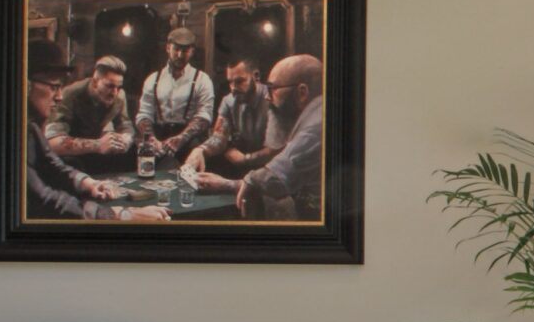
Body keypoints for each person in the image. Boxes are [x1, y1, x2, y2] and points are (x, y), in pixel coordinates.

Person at [193, 54, 324, 221]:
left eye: (239, 81)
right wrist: (201, 150)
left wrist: (244, 161)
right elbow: (219, 136)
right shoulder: (229, 101)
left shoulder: (310, 120)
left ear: (302, 92)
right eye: (230, 82)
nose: (233, 88)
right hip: (262, 175)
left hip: (273, 176)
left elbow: (278, 157)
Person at [26, 70, 167, 223]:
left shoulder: (31, 127)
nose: (59, 96)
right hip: (77, 159)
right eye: (53, 87)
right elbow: (44, 199)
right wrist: (120, 215)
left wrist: (90, 183)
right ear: (26, 85)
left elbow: (52, 164)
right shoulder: (71, 94)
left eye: (118, 87)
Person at [134, 28, 215, 162]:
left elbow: (204, 115)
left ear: (192, 51)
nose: (180, 55)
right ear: (168, 48)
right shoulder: (153, 79)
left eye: (185, 51)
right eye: (176, 49)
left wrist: (182, 138)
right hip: (158, 139)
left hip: (190, 141)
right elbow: (144, 114)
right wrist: (151, 139)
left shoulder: (202, 80)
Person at [45, 55, 134, 158]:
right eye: (109, 86)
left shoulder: (119, 96)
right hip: (68, 156)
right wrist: (98, 144)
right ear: (95, 82)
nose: (114, 93)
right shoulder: (70, 94)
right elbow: (53, 142)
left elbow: (125, 126)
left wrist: (125, 140)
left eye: (118, 87)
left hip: (96, 153)